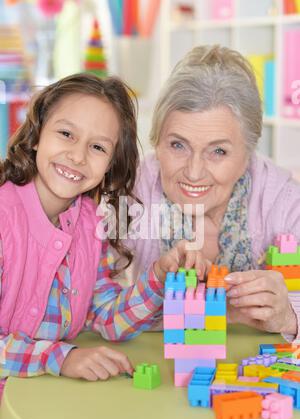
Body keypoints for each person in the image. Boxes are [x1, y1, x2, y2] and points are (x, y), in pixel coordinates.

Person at [0, 73, 200, 397]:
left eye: (97, 147)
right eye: (66, 134)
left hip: (43, 400)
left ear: (110, 163)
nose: (78, 156)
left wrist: (159, 276)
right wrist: (62, 358)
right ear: (37, 135)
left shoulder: (90, 225)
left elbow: (107, 318)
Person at [126, 45, 300, 341]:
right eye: (177, 145)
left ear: (248, 155)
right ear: (157, 142)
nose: (194, 172)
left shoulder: (283, 202)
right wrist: (224, 313)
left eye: (218, 151)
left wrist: (289, 315)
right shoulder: (134, 192)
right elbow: (90, 301)